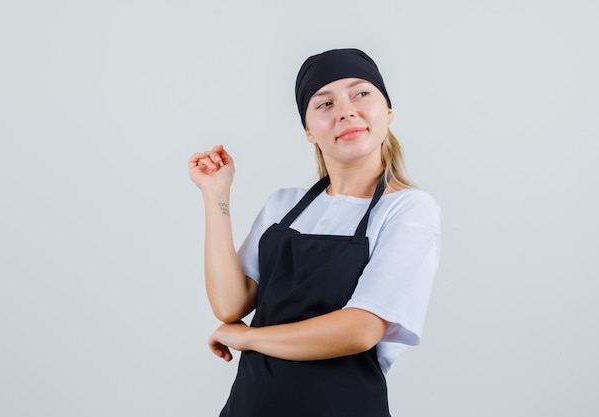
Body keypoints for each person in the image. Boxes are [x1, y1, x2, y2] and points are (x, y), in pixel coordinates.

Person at [188, 48, 441, 417]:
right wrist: (216, 196)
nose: (346, 111)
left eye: (361, 93)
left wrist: (249, 338)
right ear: (309, 132)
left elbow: (361, 328)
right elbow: (230, 304)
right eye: (324, 103)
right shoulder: (284, 206)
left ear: (388, 112)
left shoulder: (407, 209)